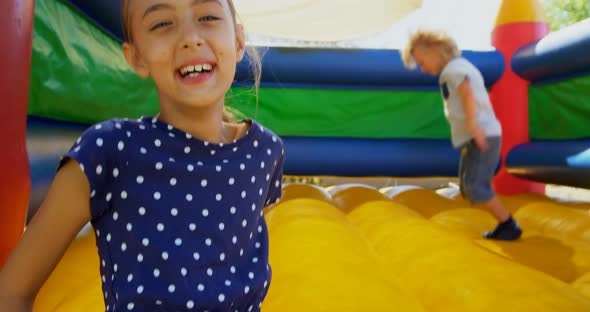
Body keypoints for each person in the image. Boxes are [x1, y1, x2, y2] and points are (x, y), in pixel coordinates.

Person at [0, 0, 285, 310]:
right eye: (162, 24)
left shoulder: (264, 152)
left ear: (239, 40)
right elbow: (12, 290)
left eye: (207, 16)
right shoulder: (110, 153)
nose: (191, 37)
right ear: (136, 57)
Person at [401, 30, 521, 241]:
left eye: (422, 62)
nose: (422, 68)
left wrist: (474, 127)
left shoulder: (453, 70)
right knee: (468, 187)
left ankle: (509, 224)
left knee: (475, 188)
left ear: (437, 52)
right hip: (477, 136)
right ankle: (505, 222)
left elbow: (467, 94)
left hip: (481, 135)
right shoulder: (459, 67)